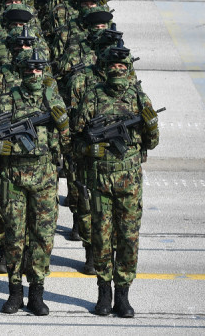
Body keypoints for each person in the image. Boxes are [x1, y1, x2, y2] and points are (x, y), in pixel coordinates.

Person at [75, 47, 159, 318]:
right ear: (105, 67)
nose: (118, 71)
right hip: (100, 180)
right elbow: (73, 140)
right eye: (113, 66)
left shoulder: (138, 97)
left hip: (129, 182)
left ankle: (123, 294)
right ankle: (103, 292)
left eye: (123, 66)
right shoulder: (92, 97)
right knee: (101, 237)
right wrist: (90, 150)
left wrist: (152, 126)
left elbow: (152, 143)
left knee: (128, 238)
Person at [0, 50, 69, 315]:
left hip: (44, 180)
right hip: (14, 181)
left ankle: (37, 293)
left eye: (38, 69)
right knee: (14, 237)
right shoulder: (5, 102)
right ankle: (14, 293)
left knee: (42, 237)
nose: (34, 74)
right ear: (21, 72)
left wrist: (64, 125)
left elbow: (66, 141)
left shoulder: (52, 101)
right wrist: (4, 147)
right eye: (29, 69)